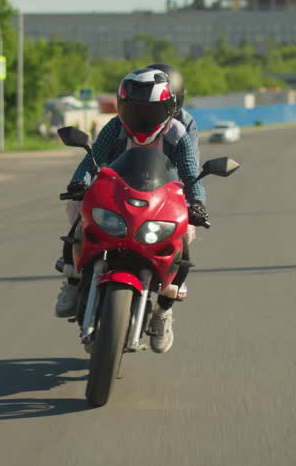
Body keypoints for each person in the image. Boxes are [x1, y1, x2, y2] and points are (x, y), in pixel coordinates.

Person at [54, 67, 209, 354]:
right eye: (133, 110)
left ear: (168, 109)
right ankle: (72, 279)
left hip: (162, 201)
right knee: (79, 213)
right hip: (116, 193)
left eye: (149, 111)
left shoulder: (178, 133)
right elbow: (92, 160)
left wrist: (197, 204)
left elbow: (190, 173)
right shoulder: (115, 127)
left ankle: (163, 309)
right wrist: (79, 182)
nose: (140, 118)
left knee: (185, 236)